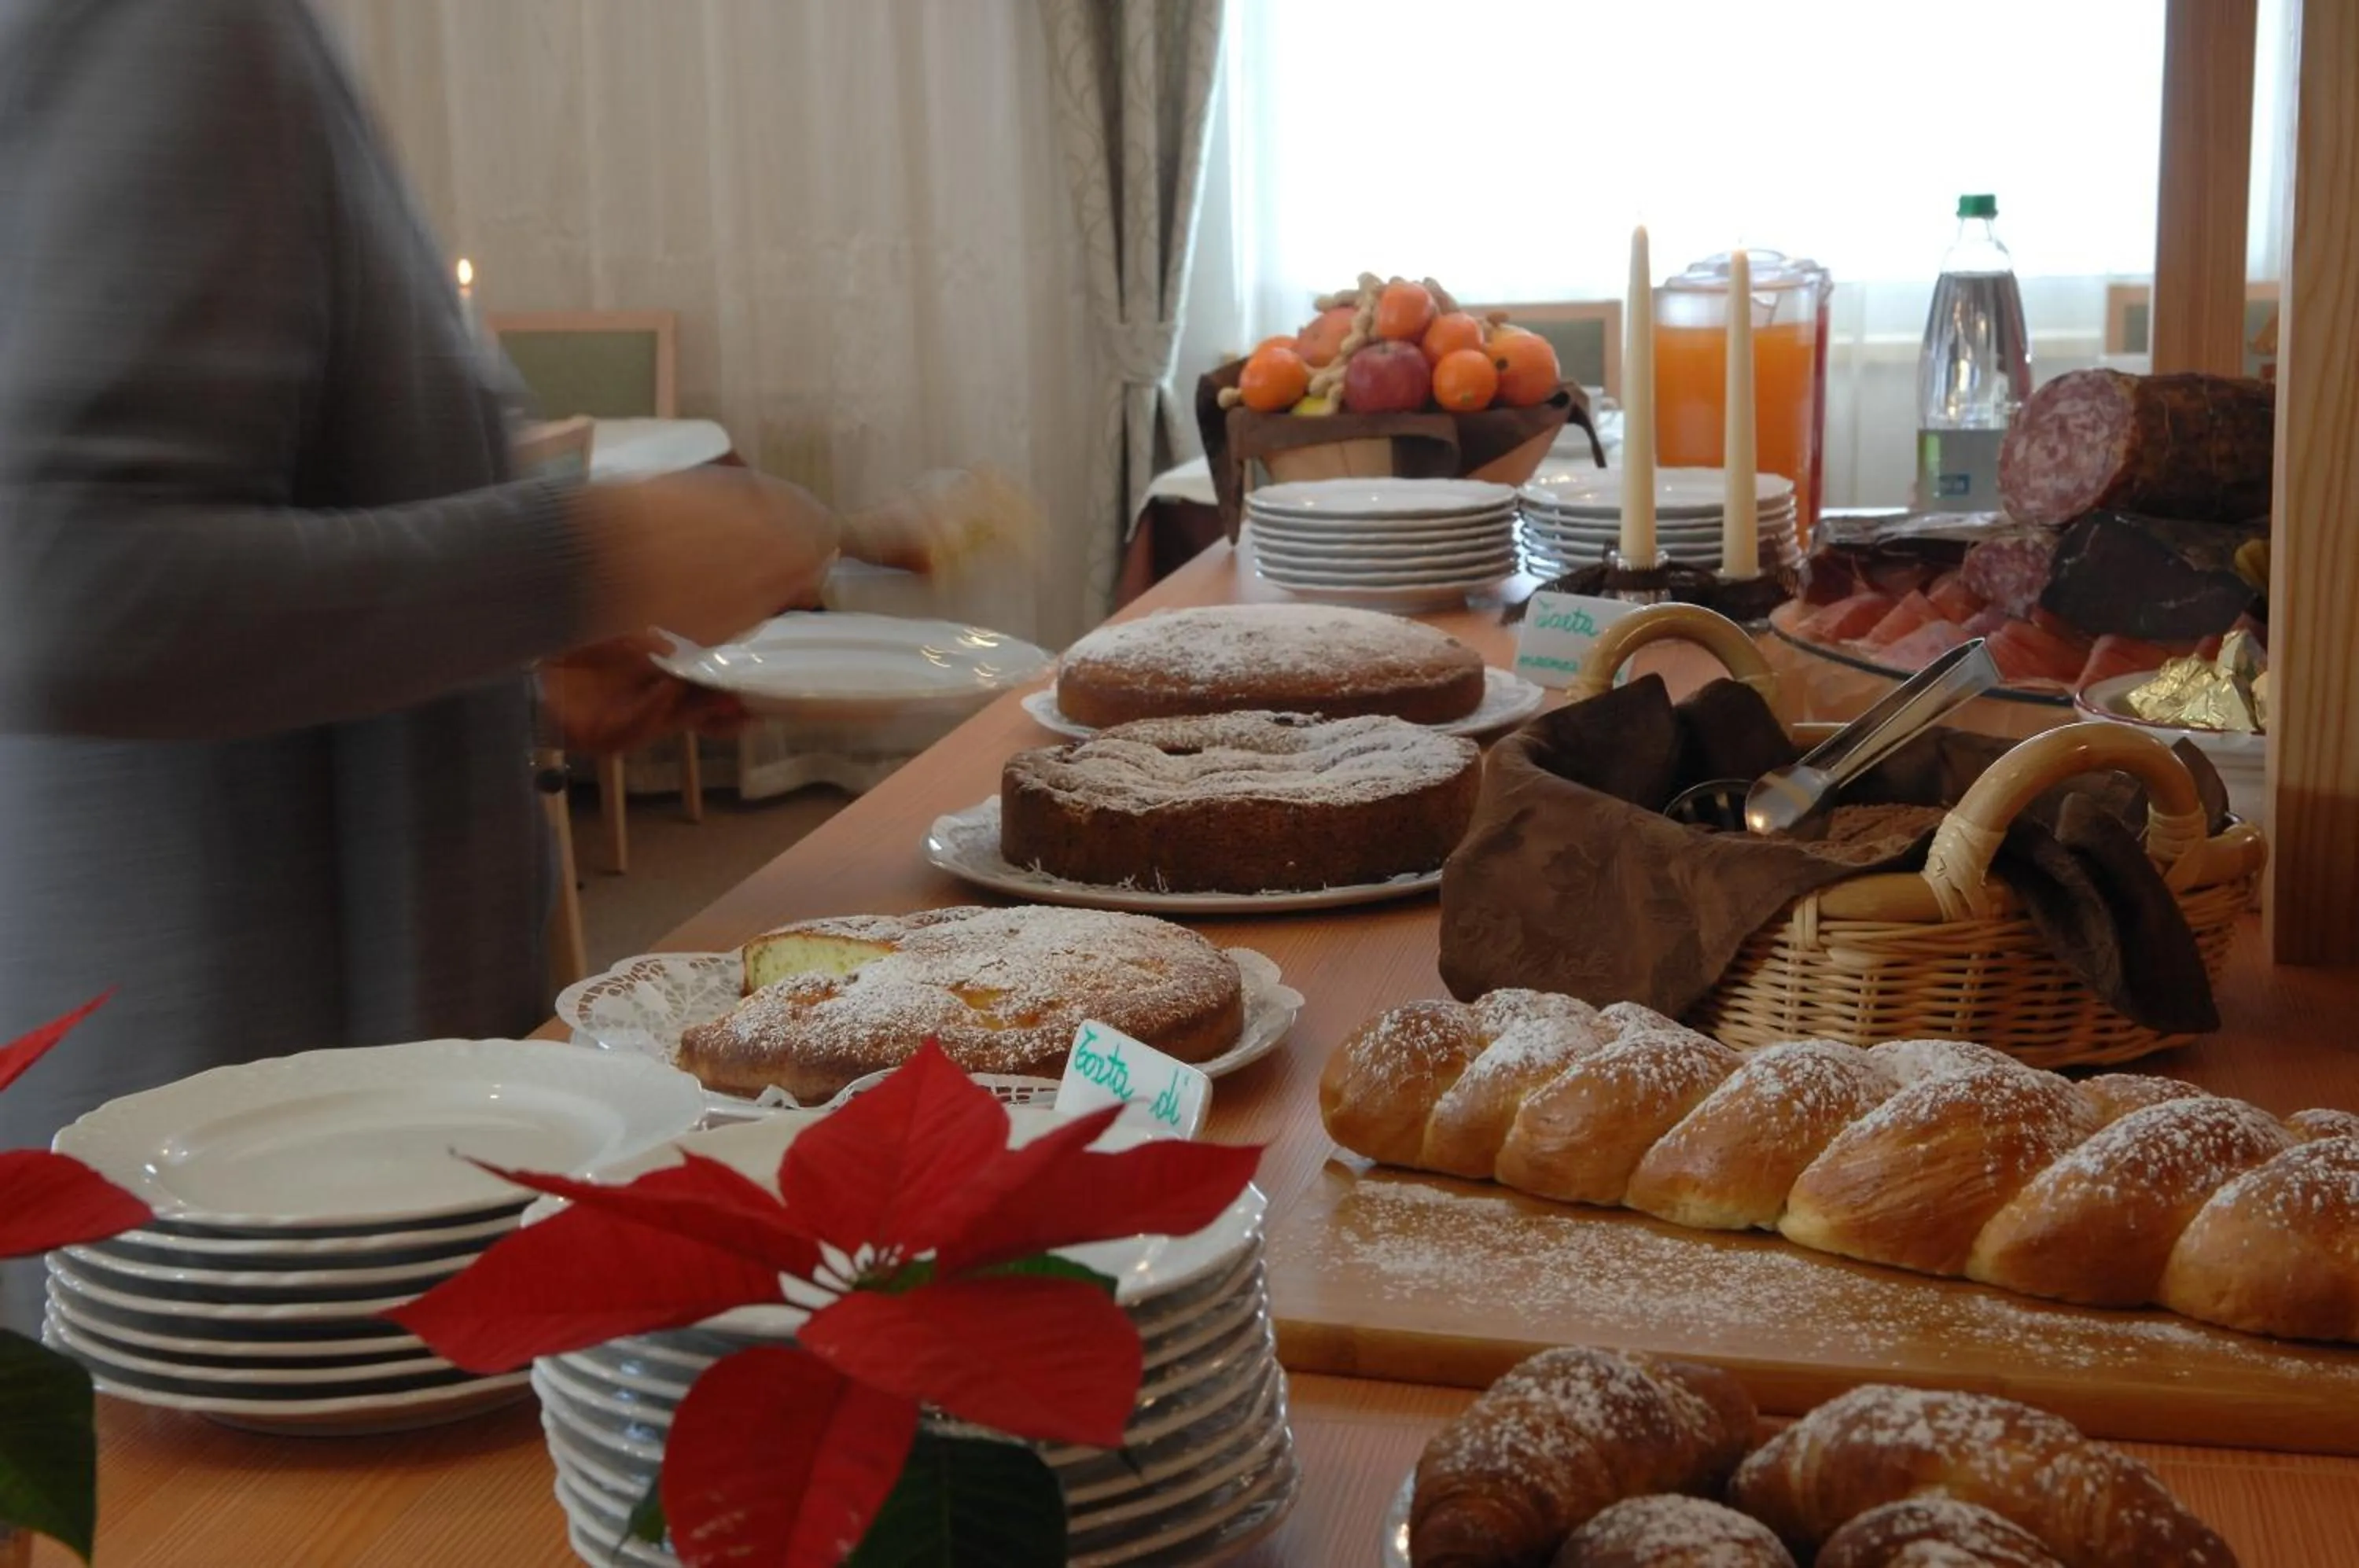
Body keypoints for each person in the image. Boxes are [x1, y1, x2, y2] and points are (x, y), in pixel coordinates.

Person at [0, 1, 869, 1324]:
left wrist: (520, 674)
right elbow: (61, 587)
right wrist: (593, 553)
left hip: (312, 1148)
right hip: (231, 1196)